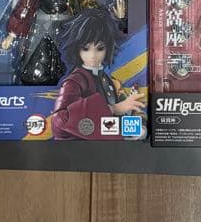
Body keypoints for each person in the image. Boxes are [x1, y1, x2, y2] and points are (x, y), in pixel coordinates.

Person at [51, 8, 145, 139]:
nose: (93, 56)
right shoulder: (75, 81)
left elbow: (110, 122)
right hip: (79, 147)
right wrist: (113, 109)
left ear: (108, 48)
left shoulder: (108, 80)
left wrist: (130, 114)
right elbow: (60, 120)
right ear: (77, 49)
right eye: (86, 48)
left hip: (107, 145)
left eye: (100, 48)